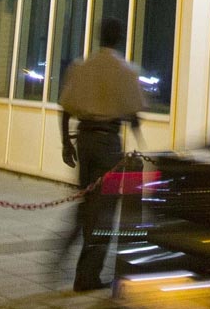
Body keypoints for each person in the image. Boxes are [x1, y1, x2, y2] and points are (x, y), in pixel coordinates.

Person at [58, 17, 146, 291]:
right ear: (118, 38)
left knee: (87, 202)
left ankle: (75, 252)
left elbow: (65, 109)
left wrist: (66, 143)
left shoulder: (82, 67)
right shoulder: (124, 71)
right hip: (108, 142)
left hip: (84, 139)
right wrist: (138, 139)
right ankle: (88, 275)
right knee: (105, 210)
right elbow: (133, 115)